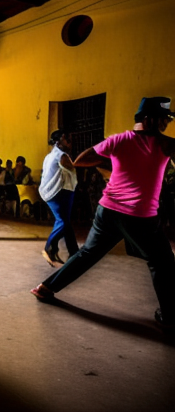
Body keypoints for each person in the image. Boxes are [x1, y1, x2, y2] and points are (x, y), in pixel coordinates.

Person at [31, 97, 175, 332]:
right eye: (165, 120)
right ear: (150, 120)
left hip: (107, 211)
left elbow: (81, 159)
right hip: (140, 217)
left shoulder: (119, 140)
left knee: (88, 253)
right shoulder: (166, 144)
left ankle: (45, 288)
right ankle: (169, 316)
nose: (167, 124)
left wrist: (116, 164)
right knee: (162, 262)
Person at [39, 130, 79, 266]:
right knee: (63, 222)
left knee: (65, 222)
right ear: (59, 141)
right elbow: (73, 168)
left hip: (51, 192)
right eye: (66, 139)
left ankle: (73, 253)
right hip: (60, 192)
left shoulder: (49, 156)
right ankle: (49, 247)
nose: (70, 142)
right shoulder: (61, 155)